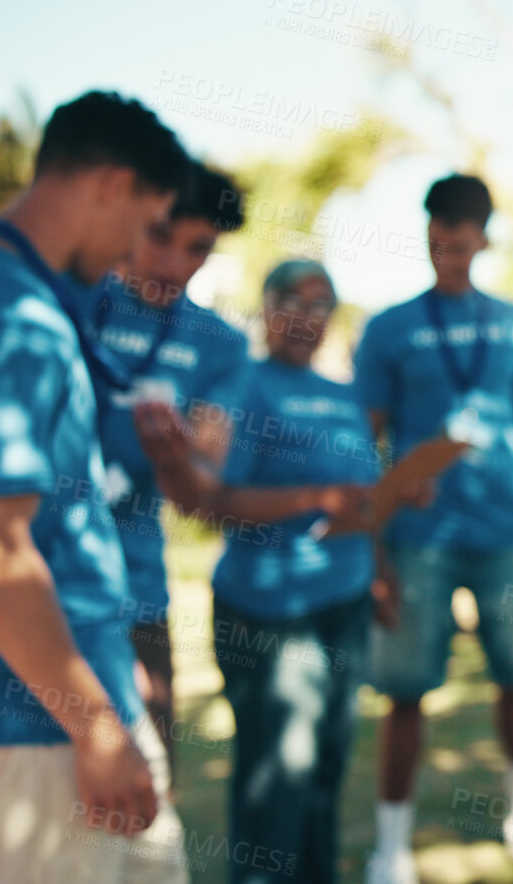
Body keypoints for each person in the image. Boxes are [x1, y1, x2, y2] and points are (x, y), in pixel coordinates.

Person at [0, 89, 192, 881]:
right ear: (111, 184)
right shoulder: (1, 308)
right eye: (145, 224)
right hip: (43, 719)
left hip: (70, 693)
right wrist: (96, 728)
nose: (133, 253)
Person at [134, 259, 417, 884]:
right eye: (291, 299)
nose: (305, 317)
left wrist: (381, 563)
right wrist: (315, 499)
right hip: (268, 612)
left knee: (326, 772)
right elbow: (214, 503)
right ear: (264, 306)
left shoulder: (345, 396)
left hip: (344, 605)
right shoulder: (241, 384)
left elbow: (361, 498)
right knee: (278, 778)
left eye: (321, 306)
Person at [355, 173, 513, 881]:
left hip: (504, 537)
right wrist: (373, 552)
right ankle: (390, 847)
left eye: (458, 243)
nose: (446, 254)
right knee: (405, 691)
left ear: (482, 238)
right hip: (417, 542)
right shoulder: (389, 328)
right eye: (435, 241)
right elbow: (360, 447)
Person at [92, 159, 251, 776]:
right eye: (160, 236)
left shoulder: (220, 343)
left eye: (199, 248)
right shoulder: (76, 301)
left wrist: (176, 454)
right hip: (41, 576)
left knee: (151, 779)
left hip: (136, 587)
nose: (173, 263)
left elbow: (204, 498)